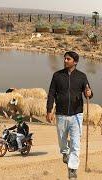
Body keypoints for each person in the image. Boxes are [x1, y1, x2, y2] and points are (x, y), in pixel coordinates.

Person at [46, 51, 93, 179]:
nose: (65, 60)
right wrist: (49, 110)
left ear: (75, 62)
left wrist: (89, 92)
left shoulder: (82, 76)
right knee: (62, 141)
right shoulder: (57, 76)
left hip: (77, 114)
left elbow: (87, 91)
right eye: (65, 58)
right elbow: (51, 93)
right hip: (61, 114)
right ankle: (65, 152)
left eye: (68, 59)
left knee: (76, 143)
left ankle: (72, 168)